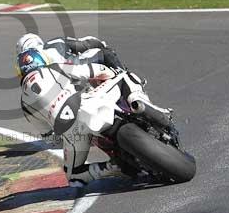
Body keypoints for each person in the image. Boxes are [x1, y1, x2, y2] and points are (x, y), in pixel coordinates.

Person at [16, 47, 153, 188]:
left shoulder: (24, 105)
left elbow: (48, 136)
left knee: (74, 176)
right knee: (124, 76)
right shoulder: (54, 67)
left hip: (71, 132)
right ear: (42, 59)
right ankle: (139, 103)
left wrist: (65, 138)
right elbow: (92, 70)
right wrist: (112, 72)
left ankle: (114, 167)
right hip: (85, 103)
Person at [15, 33, 127, 71]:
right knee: (105, 54)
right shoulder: (54, 42)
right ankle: (126, 79)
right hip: (73, 69)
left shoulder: (23, 67)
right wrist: (101, 44)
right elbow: (85, 44)